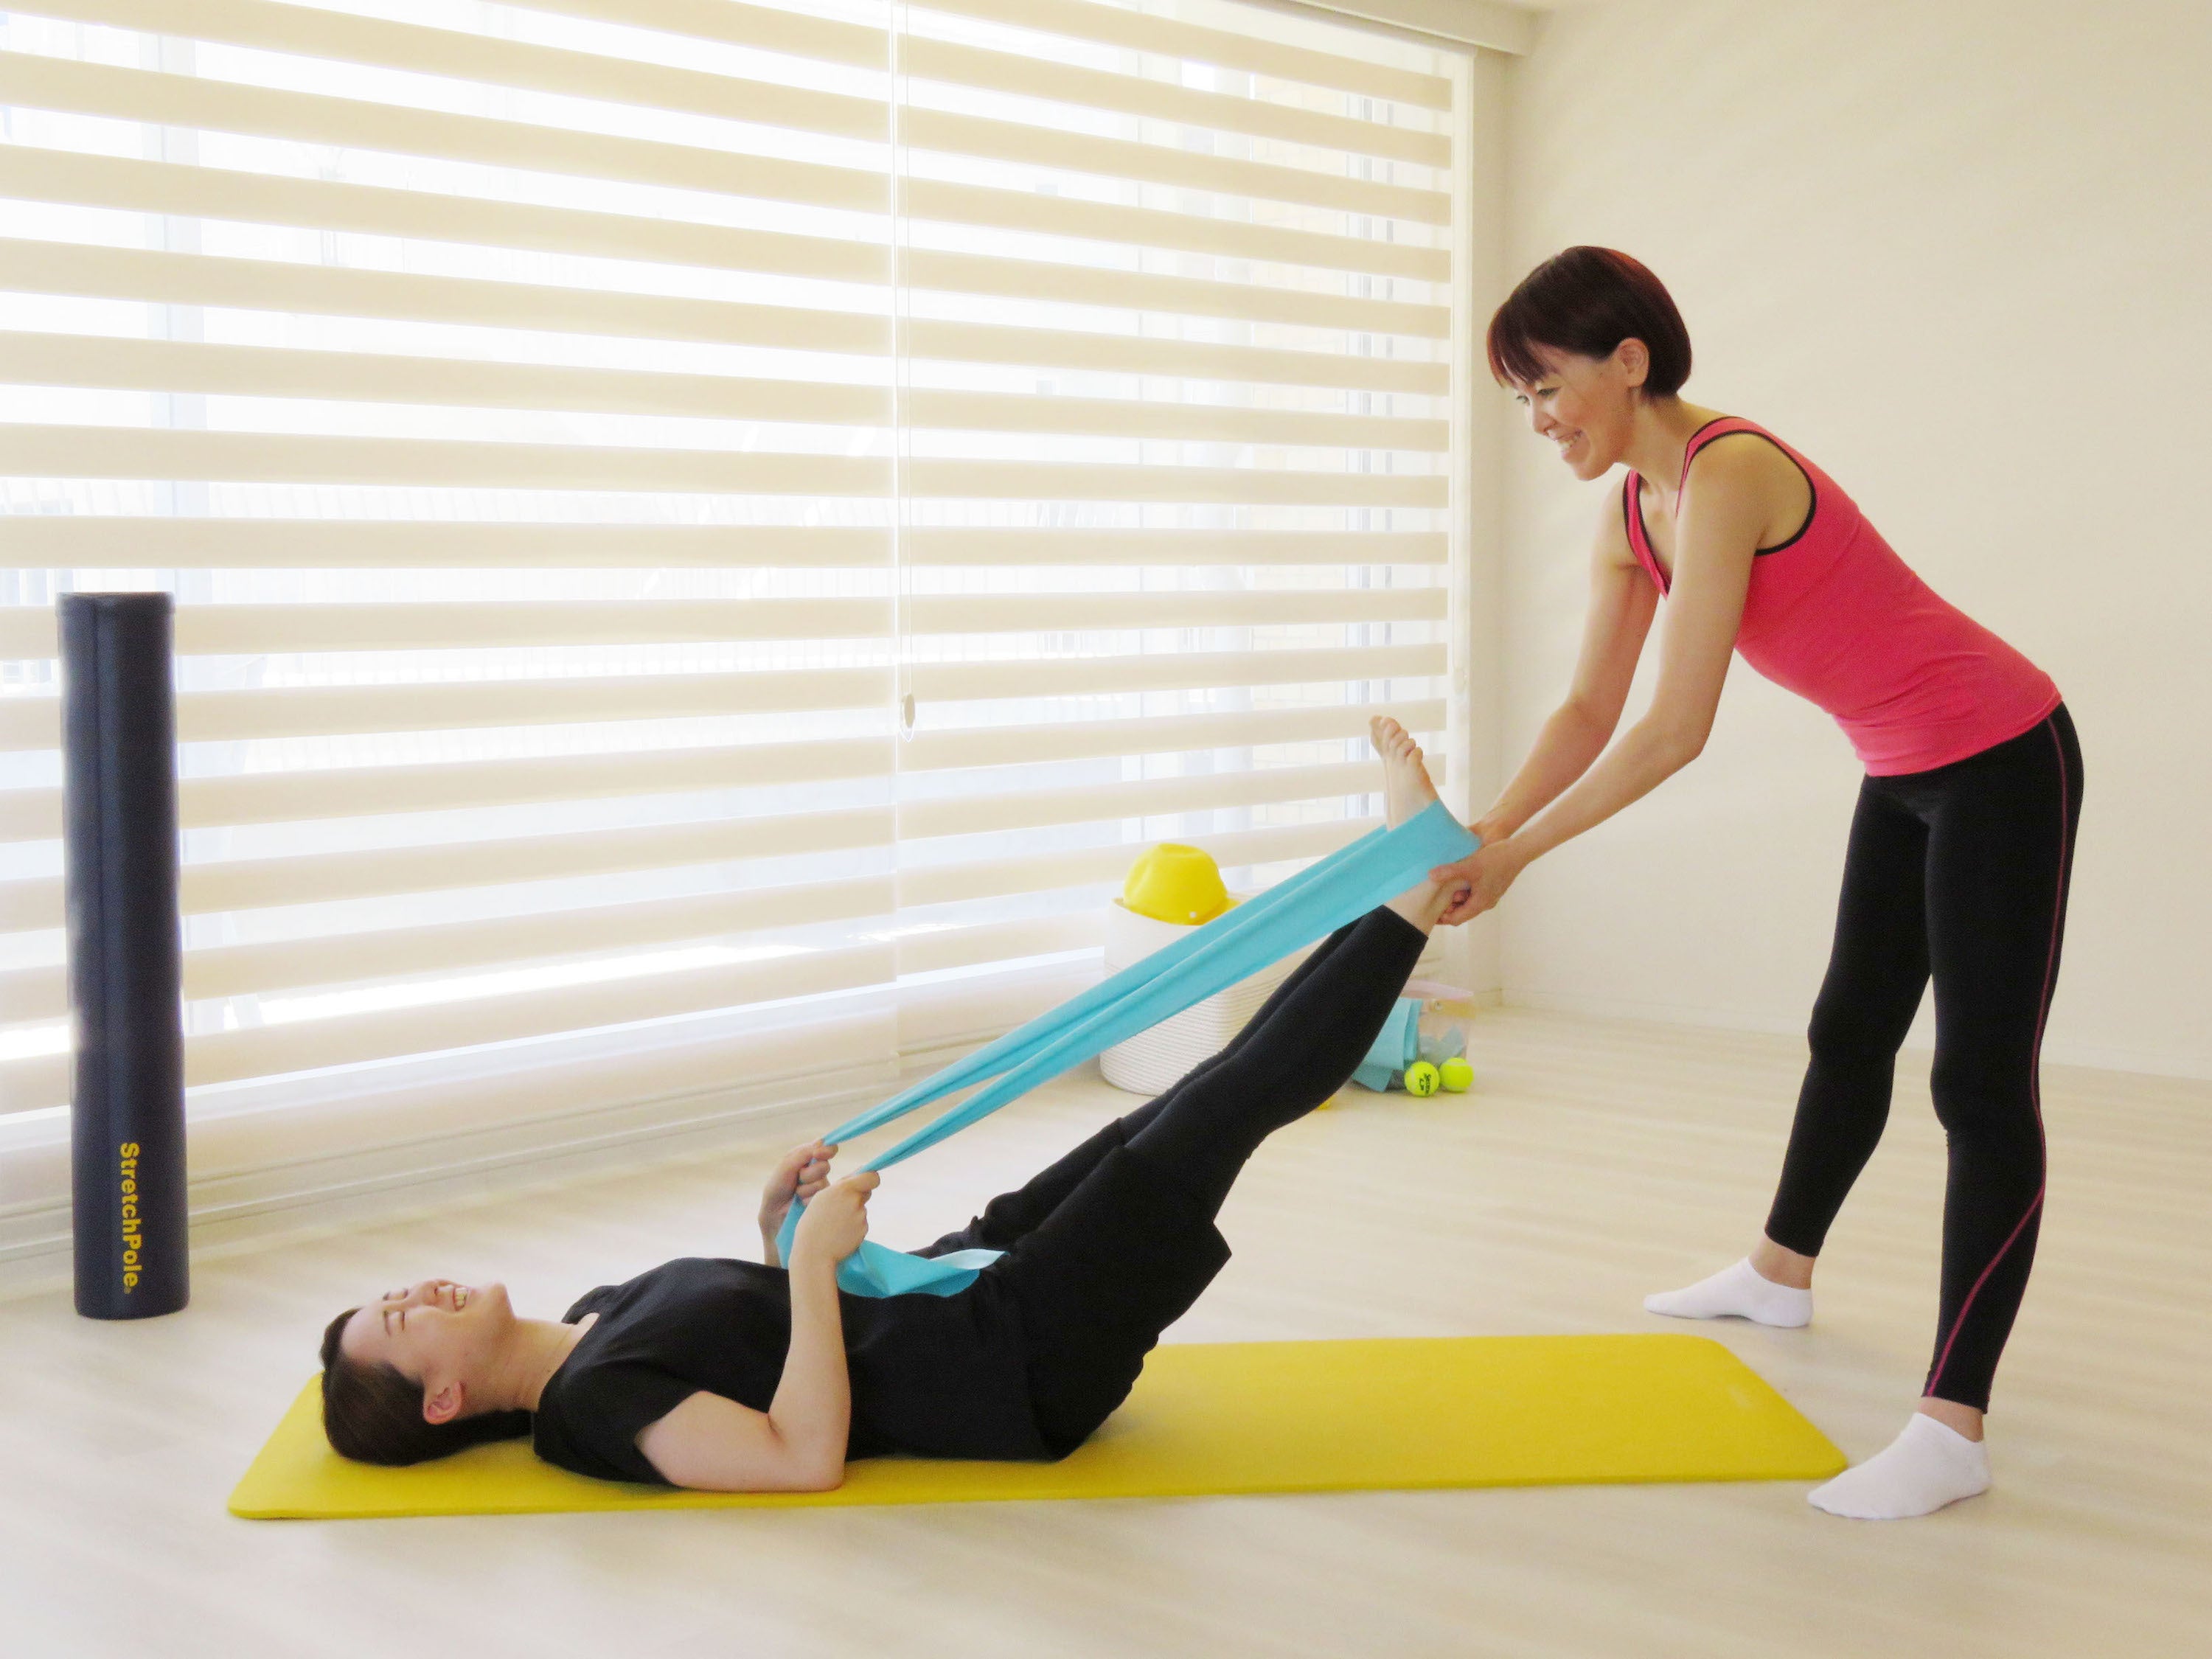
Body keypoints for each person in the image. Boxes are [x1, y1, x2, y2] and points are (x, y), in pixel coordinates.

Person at [319, 720, 1464, 1491]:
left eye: (395, 1291)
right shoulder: (589, 1412)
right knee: (1225, 1112)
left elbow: (765, 1338)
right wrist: (815, 1262)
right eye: (402, 1322)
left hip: (957, 1282)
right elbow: (799, 1452)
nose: (416, 1292)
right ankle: (1417, 884)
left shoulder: (594, 1315)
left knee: (1202, 1092)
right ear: (446, 1401)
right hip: (1011, 1364)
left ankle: (1403, 867)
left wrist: (778, 1228)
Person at [1426, 246, 2082, 1520]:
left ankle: (1952, 1426)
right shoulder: (1633, 511)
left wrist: (1517, 859)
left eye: (1547, 384)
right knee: (1849, 1028)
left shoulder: (1727, 472)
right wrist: (1485, 829)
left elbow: (1675, 730)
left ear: (1629, 361)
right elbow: (1588, 709)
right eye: (1521, 397)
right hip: (1902, 766)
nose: (1539, 417)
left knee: (1978, 1082)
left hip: (2004, 757)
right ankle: (1780, 1272)